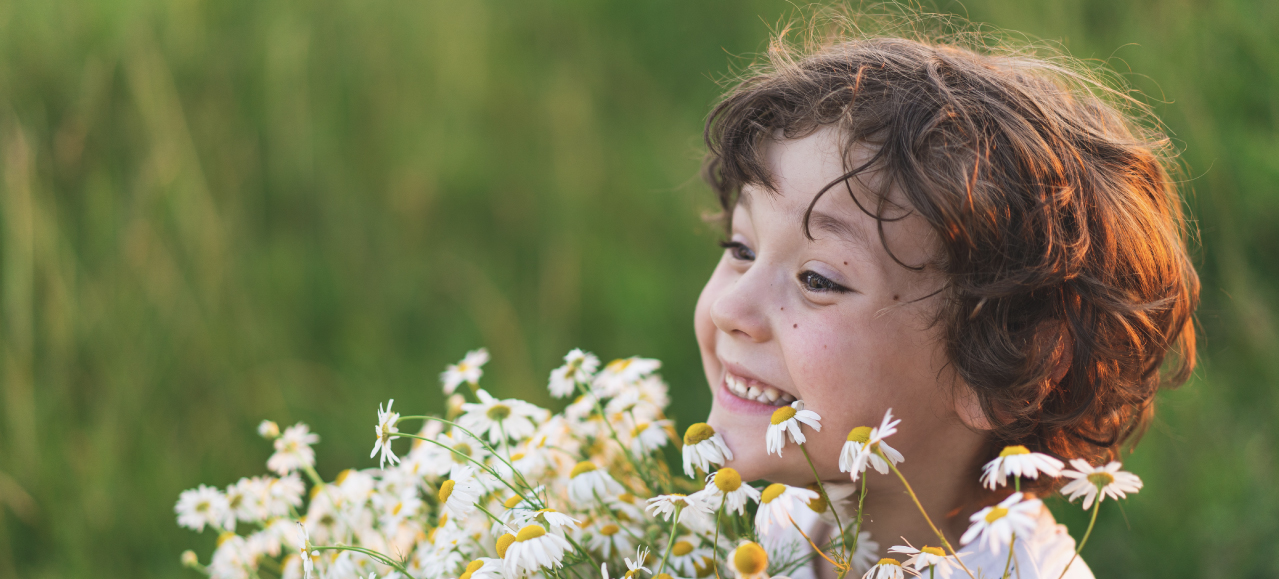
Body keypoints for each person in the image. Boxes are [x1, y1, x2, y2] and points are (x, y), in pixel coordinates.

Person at [693, 9, 1198, 578]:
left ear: (1014, 364)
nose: (727, 309)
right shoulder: (774, 536)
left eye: (818, 280)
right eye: (741, 249)